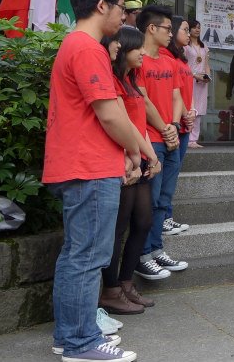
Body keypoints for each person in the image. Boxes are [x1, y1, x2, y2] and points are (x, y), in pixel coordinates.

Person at [42, 0, 140, 362]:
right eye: (120, 7)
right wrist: (135, 150)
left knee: (78, 255)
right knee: (87, 258)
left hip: (82, 164)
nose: (124, 16)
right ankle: (80, 343)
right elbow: (110, 114)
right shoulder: (87, 47)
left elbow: (112, 109)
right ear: (102, 6)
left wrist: (132, 151)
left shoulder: (80, 45)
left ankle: (70, 337)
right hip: (88, 166)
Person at [99, 28, 162, 316]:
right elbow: (121, 124)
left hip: (138, 158)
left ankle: (125, 283)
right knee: (119, 228)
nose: (143, 53)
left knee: (144, 221)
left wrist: (151, 158)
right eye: (137, 49)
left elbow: (139, 124)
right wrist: (140, 157)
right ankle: (110, 289)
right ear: (122, 50)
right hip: (124, 161)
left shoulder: (132, 80)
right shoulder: (111, 80)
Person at [135, 5, 189, 280]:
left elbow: (177, 97)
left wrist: (175, 126)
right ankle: (142, 255)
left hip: (170, 138)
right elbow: (142, 100)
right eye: (168, 28)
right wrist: (164, 128)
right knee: (151, 200)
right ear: (151, 29)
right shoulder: (138, 60)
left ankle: (157, 250)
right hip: (151, 140)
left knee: (164, 200)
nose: (171, 33)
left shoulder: (169, 62)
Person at [165, 16, 194, 235]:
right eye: (184, 29)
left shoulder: (182, 58)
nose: (188, 32)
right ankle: (164, 218)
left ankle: (167, 216)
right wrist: (185, 113)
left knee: (173, 174)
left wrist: (190, 112)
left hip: (184, 123)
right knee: (168, 175)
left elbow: (186, 90)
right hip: (174, 123)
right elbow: (173, 93)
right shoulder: (167, 57)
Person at [183, 19, 210, 147]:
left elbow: (206, 64)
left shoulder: (204, 46)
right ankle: (186, 138)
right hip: (190, 79)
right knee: (190, 106)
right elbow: (183, 64)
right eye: (194, 27)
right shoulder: (186, 46)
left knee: (200, 108)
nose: (197, 30)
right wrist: (194, 75)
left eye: (199, 27)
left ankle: (194, 139)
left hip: (202, 82)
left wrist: (207, 76)